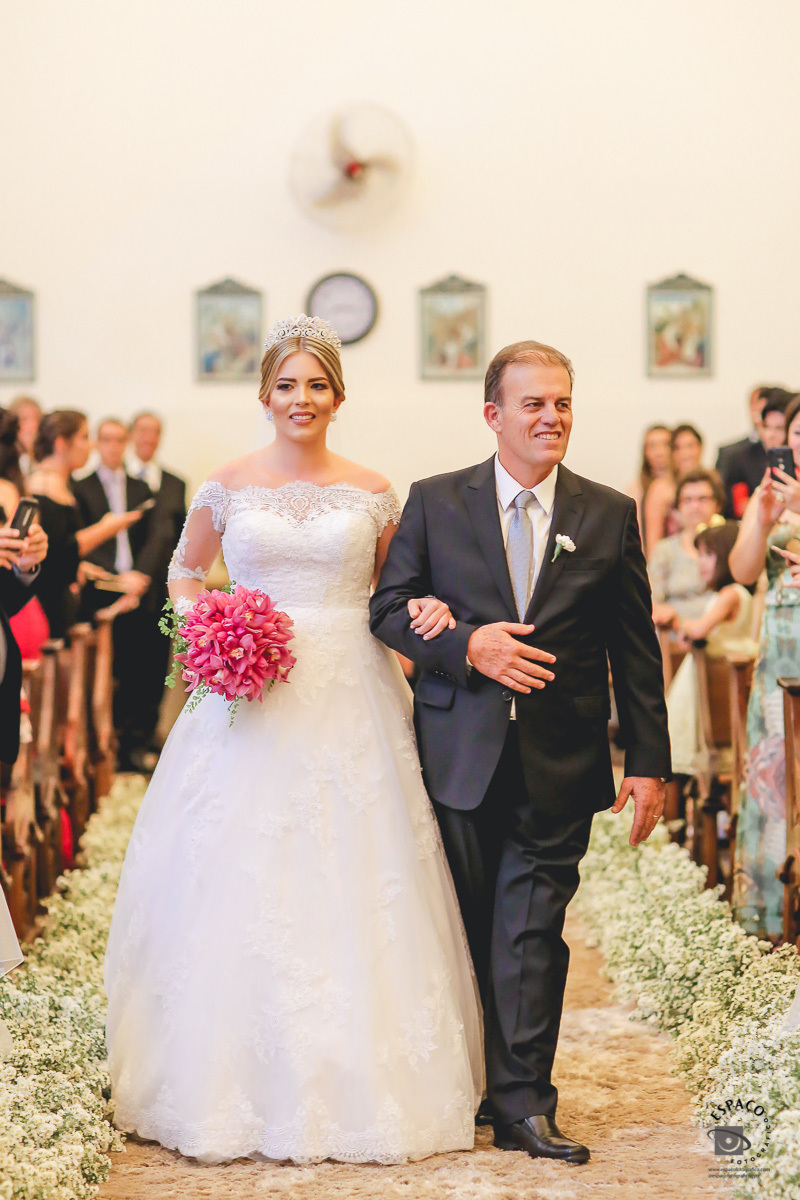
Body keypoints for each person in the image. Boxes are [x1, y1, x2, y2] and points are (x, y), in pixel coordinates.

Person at [104, 315, 483, 1164]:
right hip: (248, 693)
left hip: (352, 689)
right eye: (286, 385)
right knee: (238, 866)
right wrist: (213, 628)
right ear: (264, 395)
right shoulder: (226, 485)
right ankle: (220, 1074)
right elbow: (183, 572)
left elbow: (397, 592)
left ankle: (363, 1075)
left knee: (356, 867)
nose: (300, 399)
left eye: (316, 385)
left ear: (338, 397)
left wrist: (427, 614)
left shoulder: (375, 490)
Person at [370, 338, 671, 1166]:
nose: (552, 417)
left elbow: (634, 647)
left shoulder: (607, 512)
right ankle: (467, 1087)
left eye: (563, 402)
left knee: (532, 933)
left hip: (562, 757)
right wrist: (467, 645)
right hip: (456, 752)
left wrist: (649, 763)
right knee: (466, 931)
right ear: (494, 414)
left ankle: (524, 1106)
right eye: (534, 403)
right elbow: (388, 610)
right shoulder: (436, 501)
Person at [729, 393, 800, 938]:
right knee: (774, 774)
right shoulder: (772, 493)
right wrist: (763, 517)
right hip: (778, 643)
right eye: (796, 433)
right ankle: (772, 911)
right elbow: (743, 568)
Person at [73, 419, 166, 771]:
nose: (113, 446)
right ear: (97, 443)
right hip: (102, 590)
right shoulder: (80, 487)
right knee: (106, 669)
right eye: (106, 440)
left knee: (143, 668)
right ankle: (103, 743)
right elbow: (79, 541)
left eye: (119, 440)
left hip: (140, 589)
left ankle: (136, 744)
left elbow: (156, 538)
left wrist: (138, 576)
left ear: (126, 443)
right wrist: (116, 578)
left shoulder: (142, 487)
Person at [27, 412, 143, 639]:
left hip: (65, 598)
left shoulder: (62, 483)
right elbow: (56, 552)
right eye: (84, 437)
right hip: (47, 601)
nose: (90, 446)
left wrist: (83, 568)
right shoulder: (42, 485)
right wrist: (107, 527)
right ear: (61, 443)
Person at [667, 521, 753, 778]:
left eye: (708, 554)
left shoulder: (730, 594)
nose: (701, 562)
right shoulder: (732, 594)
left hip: (720, 678)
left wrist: (680, 625)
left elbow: (700, 628)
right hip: (718, 673)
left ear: (727, 555)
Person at [126, 411, 188, 752]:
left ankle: (148, 737)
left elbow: (181, 539)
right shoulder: (116, 480)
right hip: (120, 590)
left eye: (155, 432)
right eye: (143, 431)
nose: (149, 437)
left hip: (158, 595)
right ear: (133, 435)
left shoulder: (175, 483)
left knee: (154, 667)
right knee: (125, 666)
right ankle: (124, 739)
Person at [648, 468, 724, 628]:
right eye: (687, 500)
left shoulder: (728, 544)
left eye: (703, 499)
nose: (695, 506)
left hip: (722, 636)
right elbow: (650, 601)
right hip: (673, 637)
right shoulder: (664, 550)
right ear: (677, 508)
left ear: (717, 504)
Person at [717, 387, 796, 519]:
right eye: (766, 427)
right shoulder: (742, 458)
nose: (770, 435)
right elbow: (739, 508)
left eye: (779, 428)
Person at [643, 423, 705, 552]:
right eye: (677, 448)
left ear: (700, 448)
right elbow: (653, 541)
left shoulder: (710, 483)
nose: (685, 453)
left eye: (690, 446)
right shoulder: (660, 488)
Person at [625, 424, 672, 555]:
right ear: (645, 451)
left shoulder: (681, 484)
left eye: (665, 444)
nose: (659, 452)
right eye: (652, 446)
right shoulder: (636, 487)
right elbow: (637, 532)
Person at [8, 395, 42, 478]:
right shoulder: (6, 460)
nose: (32, 425)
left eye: (36, 419)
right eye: (24, 419)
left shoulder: (45, 457)